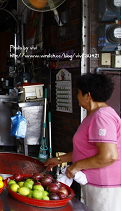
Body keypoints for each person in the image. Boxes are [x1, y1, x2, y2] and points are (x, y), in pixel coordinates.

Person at [44, 73, 120, 211]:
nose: (77, 96)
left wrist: (76, 166)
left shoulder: (102, 117)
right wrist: (59, 159)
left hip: (105, 185)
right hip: (93, 182)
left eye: (79, 92)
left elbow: (109, 156)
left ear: (88, 95)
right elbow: (85, 150)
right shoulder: (94, 115)